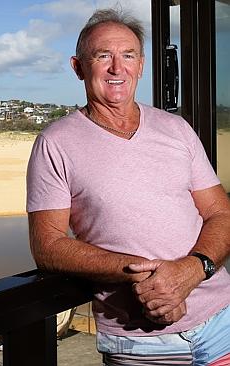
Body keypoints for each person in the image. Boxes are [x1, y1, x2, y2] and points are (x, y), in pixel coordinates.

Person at [26, 7, 230, 365]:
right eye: (103, 56)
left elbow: (220, 212)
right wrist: (150, 274)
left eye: (128, 56)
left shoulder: (176, 128)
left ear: (141, 65)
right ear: (78, 67)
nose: (117, 68)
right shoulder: (55, 143)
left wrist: (190, 270)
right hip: (141, 346)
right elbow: (48, 246)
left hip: (222, 322)